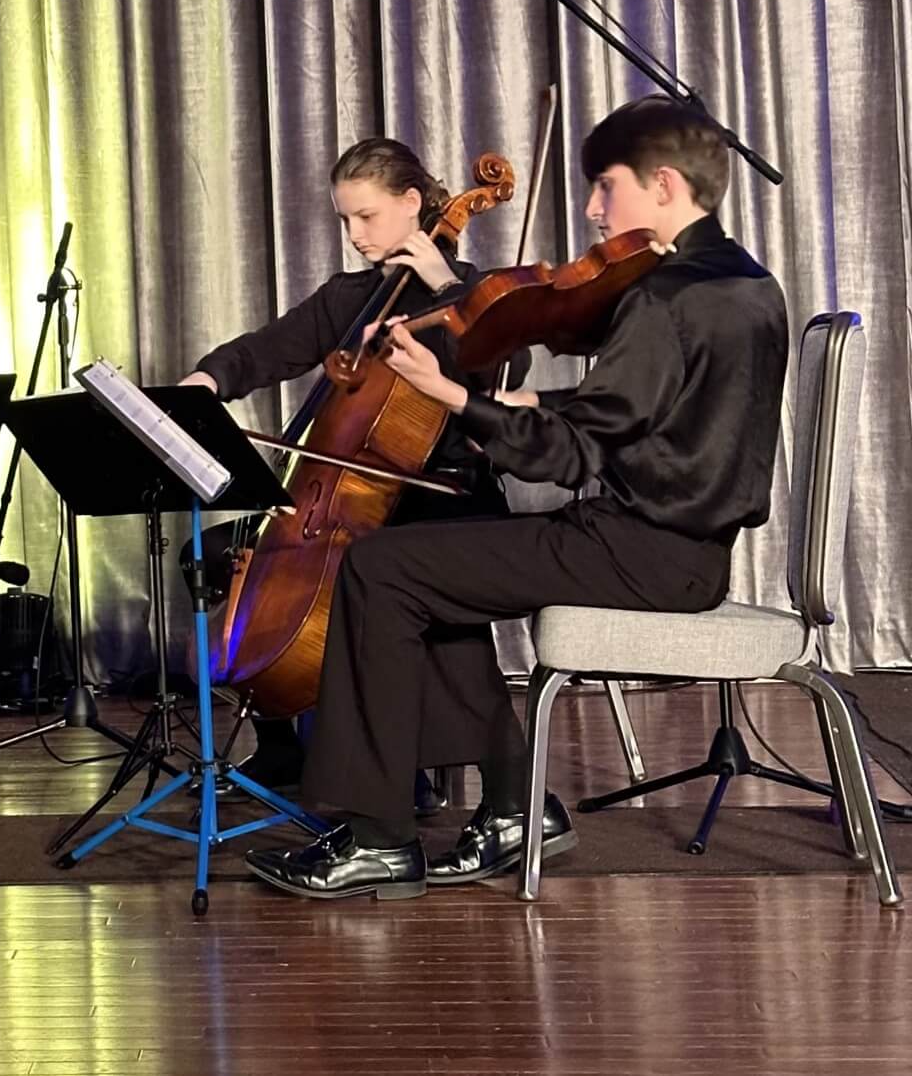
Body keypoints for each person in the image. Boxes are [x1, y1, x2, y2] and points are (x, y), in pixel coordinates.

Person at [245, 94, 789, 900]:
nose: (595, 209)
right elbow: (644, 415)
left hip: (637, 548)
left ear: (665, 185)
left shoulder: (664, 299)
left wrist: (457, 398)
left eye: (606, 186)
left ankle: (380, 840)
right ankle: (510, 809)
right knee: (428, 567)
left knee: (378, 567)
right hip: (681, 550)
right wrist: (530, 401)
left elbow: (571, 457)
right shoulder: (740, 281)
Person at [180, 138, 528, 794]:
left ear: (412, 203)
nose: (355, 234)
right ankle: (280, 744)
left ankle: (417, 767)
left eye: (366, 216)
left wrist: (446, 289)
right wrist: (209, 379)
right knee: (218, 555)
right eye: (345, 219)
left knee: (397, 576)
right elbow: (266, 350)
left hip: (446, 495)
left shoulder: (473, 293)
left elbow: (502, 374)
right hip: (349, 500)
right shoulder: (351, 298)